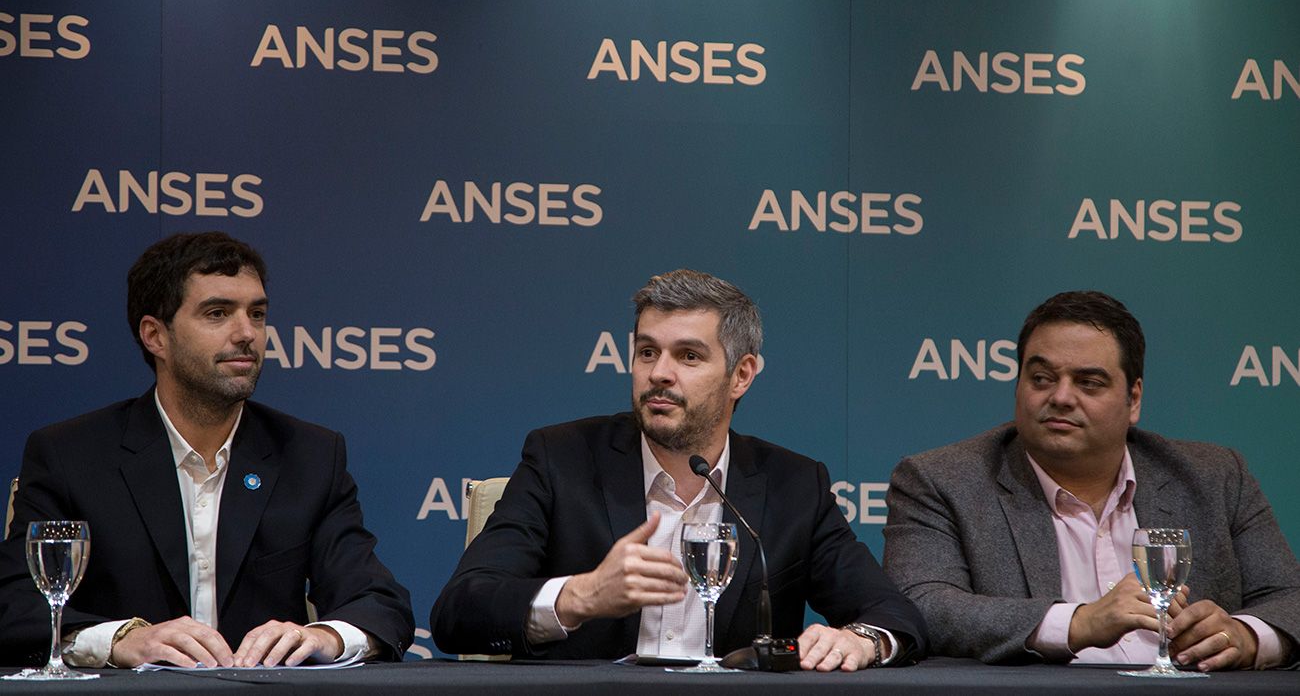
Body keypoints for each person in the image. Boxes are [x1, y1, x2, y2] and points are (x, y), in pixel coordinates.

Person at [431, 269, 927, 670]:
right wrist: (580, 596)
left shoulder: (795, 485)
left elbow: (893, 614)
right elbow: (460, 611)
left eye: (688, 356)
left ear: (742, 375)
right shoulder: (561, 459)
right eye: (648, 352)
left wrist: (862, 641)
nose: (659, 373)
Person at [0, 232, 414, 669]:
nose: (246, 334)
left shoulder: (309, 456)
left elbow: (380, 603)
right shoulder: (70, 455)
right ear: (155, 336)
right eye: (217, 313)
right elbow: (14, 605)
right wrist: (120, 640)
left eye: (257, 314)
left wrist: (324, 636)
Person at [884, 290, 1300, 670]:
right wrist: (1078, 622)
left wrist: (1247, 637)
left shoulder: (1216, 476)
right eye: (1042, 378)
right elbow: (922, 606)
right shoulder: (942, 480)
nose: (1061, 397)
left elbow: (1290, 598)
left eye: (1089, 382)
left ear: (1133, 399)